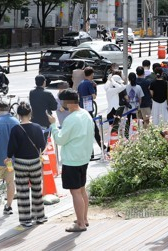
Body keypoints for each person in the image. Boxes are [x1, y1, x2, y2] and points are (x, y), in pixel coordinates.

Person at [47, 88, 94, 232]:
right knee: (81, 190)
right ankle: (84, 219)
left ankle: (80, 223)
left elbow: (60, 140)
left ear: (67, 102)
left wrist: (53, 125)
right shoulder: (85, 114)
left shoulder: (71, 119)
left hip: (72, 160)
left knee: (75, 192)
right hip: (83, 158)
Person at [6, 102, 47, 227]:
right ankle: (39, 216)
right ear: (30, 113)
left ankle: (25, 219)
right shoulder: (37, 127)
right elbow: (42, 145)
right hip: (35, 162)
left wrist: (8, 157)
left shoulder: (15, 129)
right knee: (37, 190)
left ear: (18, 114)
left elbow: (11, 148)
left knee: (23, 192)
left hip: (21, 163)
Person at [77, 67, 103, 159]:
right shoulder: (90, 84)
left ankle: (90, 152)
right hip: (89, 111)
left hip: (81, 110)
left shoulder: (80, 84)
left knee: (86, 132)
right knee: (95, 131)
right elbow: (94, 96)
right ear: (92, 74)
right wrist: (95, 88)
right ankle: (102, 148)